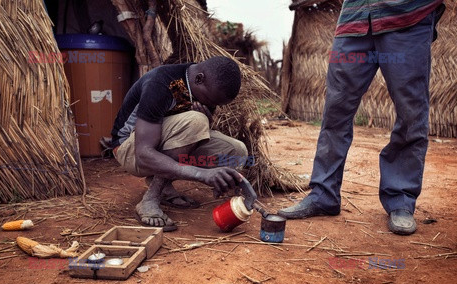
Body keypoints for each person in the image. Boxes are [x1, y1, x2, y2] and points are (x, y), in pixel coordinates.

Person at [279, 1, 446, 235]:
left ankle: (400, 199)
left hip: (407, 16)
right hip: (354, 19)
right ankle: (323, 194)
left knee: (410, 113)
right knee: (335, 112)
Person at [110, 56, 247, 231]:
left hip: (161, 143)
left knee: (236, 151)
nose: (211, 105)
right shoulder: (161, 83)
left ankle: (164, 185)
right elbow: (143, 154)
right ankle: (150, 199)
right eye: (210, 101)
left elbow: (193, 133)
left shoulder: (202, 88)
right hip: (129, 149)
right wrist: (201, 174)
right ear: (199, 78)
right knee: (196, 121)